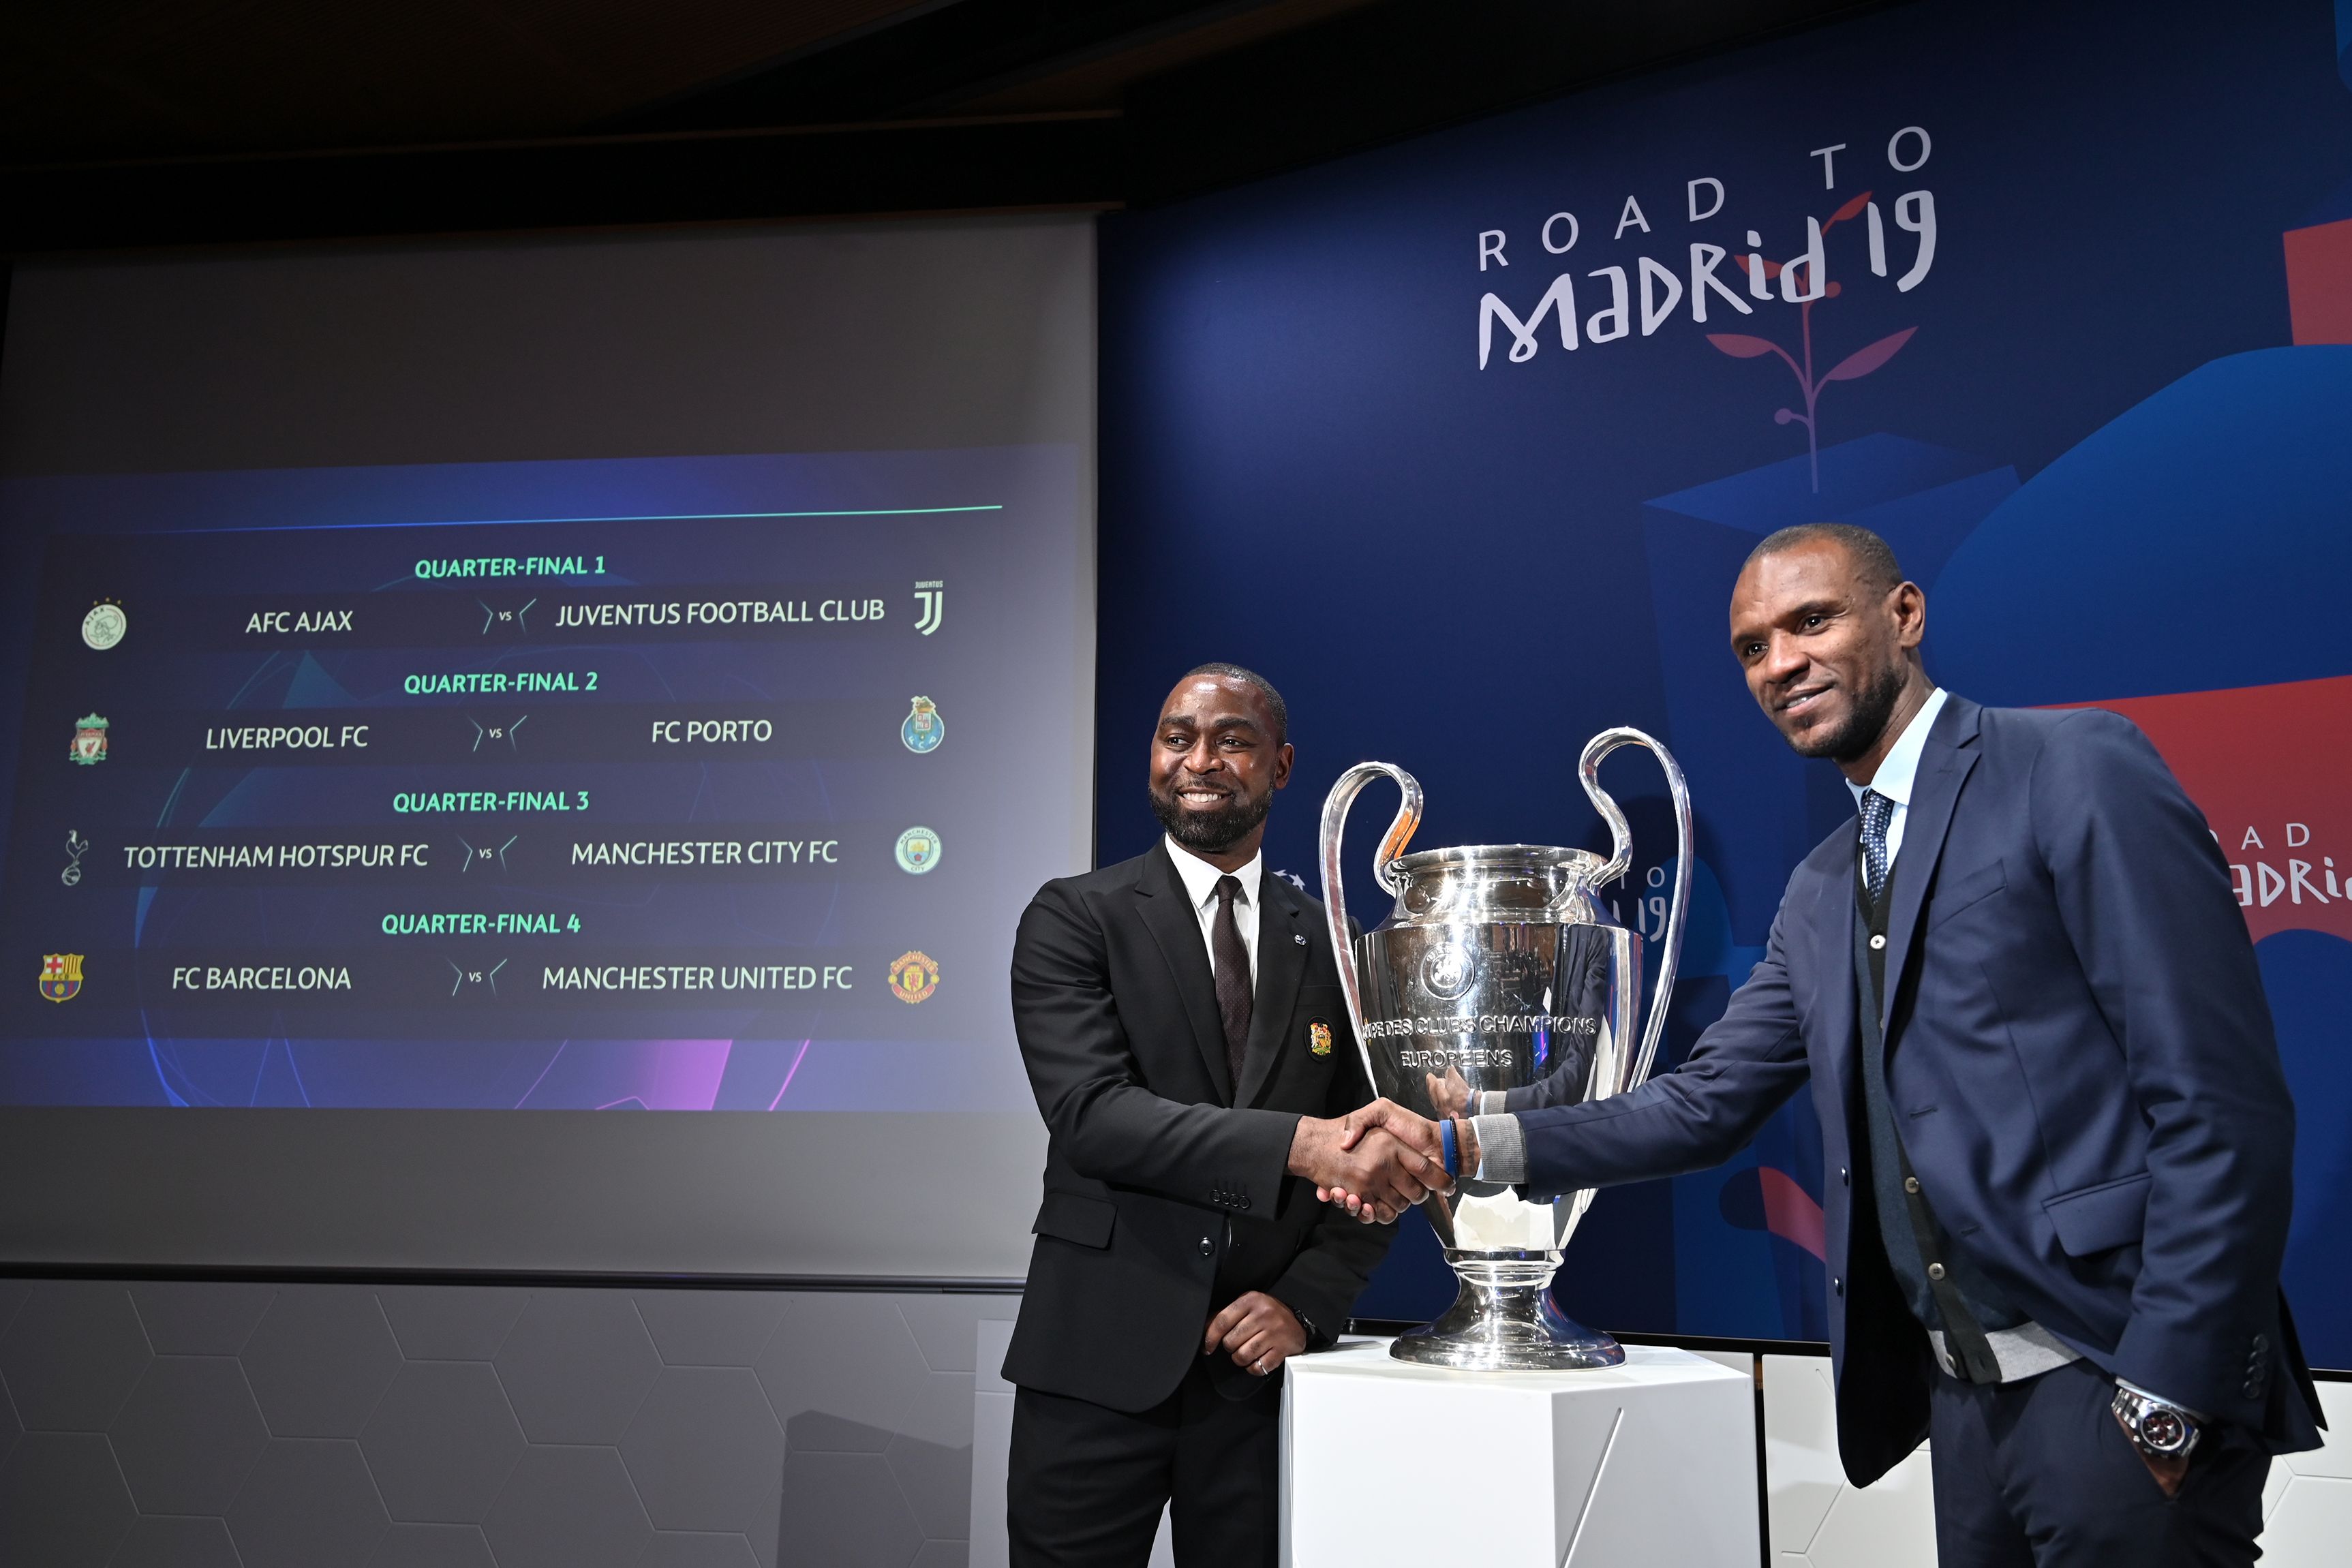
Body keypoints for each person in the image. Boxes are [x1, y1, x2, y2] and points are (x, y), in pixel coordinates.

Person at [1329, 525, 2323, 1566]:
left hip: (2114, 1380)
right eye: (1753, 647)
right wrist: (1462, 1142)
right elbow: (1706, 1101)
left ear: (1905, 614)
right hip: (1966, 1415)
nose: (1782, 662)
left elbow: (2222, 1104)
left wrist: (2169, 1392)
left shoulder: (2071, 767)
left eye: (1812, 621)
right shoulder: (1820, 888)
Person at [1001, 663, 1433, 1568]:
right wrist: (1302, 1146)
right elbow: (1095, 1117)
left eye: (1232, 740)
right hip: (1094, 1367)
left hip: (1258, 1380)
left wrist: (1305, 1303)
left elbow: (1372, 1161)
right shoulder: (1076, 916)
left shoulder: (1337, 945)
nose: (1199, 760)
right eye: (1177, 737)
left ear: (1281, 765)